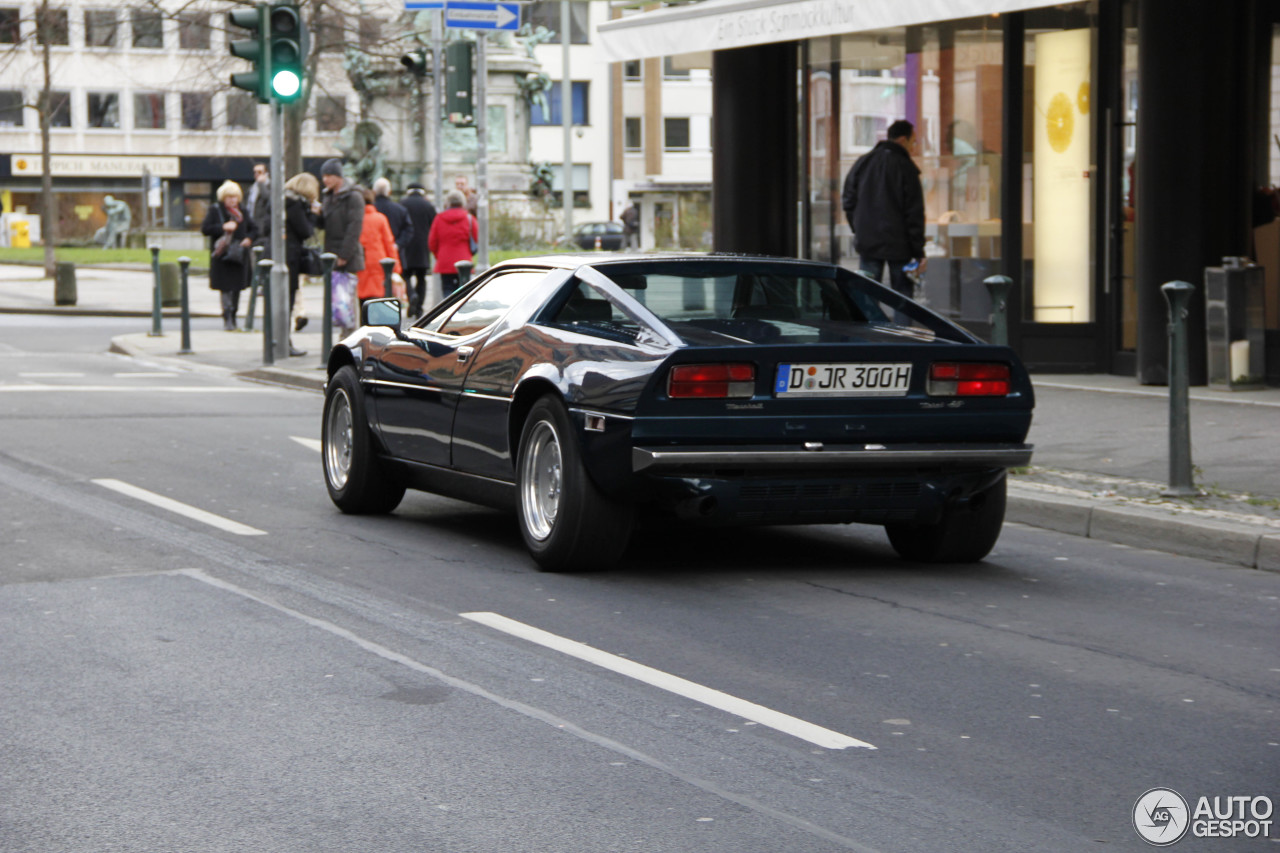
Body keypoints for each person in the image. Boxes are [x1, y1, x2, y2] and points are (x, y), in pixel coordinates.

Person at [841, 119, 927, 299]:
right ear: (903, 140)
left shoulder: (863, 162)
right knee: (903, 298)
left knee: (867, 297)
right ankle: (902, 328)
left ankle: (871, 328)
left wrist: (859, 228)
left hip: (868, 241)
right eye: (914, 141)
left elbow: (848, 200)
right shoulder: (906, 168)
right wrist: (918, 250)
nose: (914, 147)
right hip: (900, 245)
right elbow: (914, 213)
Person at [201, 180, 257, 331]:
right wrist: (222, 227)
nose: (232, 200)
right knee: (225, 288)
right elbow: (205, 228)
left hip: (238, 255)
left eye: (234, 197)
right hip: (223, 255)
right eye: (228, 197)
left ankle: (234, 314)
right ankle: (227, 316)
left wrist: (249, 239)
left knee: (237, 287)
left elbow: (254, 228)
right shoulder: (216, 210)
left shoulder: (243, 212)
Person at [317, 158, 365, 332]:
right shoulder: (328, 196)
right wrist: (317, 215)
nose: (325, 180)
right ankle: (341, 337)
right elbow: (324, 225)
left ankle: (349, 338)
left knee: (346, 301)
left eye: (329, 175)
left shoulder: (354, 197)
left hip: (347, 255)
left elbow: (354, 227)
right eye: (323, 176)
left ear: (338, 176)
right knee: (335, 300)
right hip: (331, 254)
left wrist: (344, 255)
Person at [283, 171, 319, 354]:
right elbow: (305, 231)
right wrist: (312, 215)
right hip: (290, 256)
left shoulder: (285, 201)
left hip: (283, 254)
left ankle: (280, 341)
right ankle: (284, 343)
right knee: (287, 299)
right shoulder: (295, 205)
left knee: (285, 299)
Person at [356, 187, 401, 320]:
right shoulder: (380, 218)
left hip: (361, 261)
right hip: (379, 262)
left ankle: (363, 326)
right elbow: (389, 243)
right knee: (378, 297)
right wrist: (396, 268)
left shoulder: (356, 219)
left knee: (362, 298)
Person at [429, 189, 477, 298]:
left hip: (445, 262)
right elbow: (476, 238)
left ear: (448, 202)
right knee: (464, 293)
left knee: (447, 292)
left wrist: (439, 255)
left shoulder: (439, 218)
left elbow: (432, 242)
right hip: (464, 262)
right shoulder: (469, 218)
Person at [400, 182, 437, 316]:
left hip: (407, 246)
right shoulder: (428, 205)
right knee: (421, 277)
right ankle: (419, 307)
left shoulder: (402, 203)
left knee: (406, 275)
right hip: (423, 245)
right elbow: (434, 225)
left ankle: (411, 296)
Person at [372, 177, 413, 267]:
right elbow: (408, 230)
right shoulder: (400, 210)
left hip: (374, 254)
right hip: (396, 254)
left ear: (374, 192)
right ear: (389, 192)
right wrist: (398, 244)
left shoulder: (370, 209)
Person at [249, 162, 271, 258]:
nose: (257, 174)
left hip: (263, 227)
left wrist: (261, 184)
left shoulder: (270, 186)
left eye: (260, 172)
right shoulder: (253, 188)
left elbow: (267, 198)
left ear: (266, 173)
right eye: (255, 172)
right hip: (253, 225)